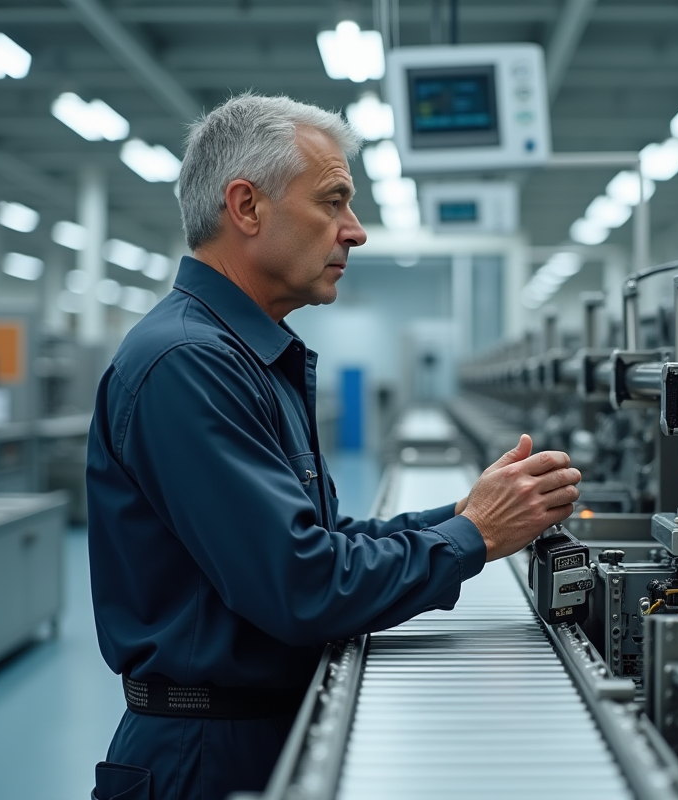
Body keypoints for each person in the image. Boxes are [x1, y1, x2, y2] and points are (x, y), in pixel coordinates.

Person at [86, 93, 581, 800]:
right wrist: (472, 537)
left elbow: (320, 539)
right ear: (247, 207)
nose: (356, 231)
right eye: (333, 201)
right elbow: (301, 585)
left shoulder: (244, 355)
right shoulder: (190, 363)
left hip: (251, 728)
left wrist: (464, 515)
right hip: (206, 758)